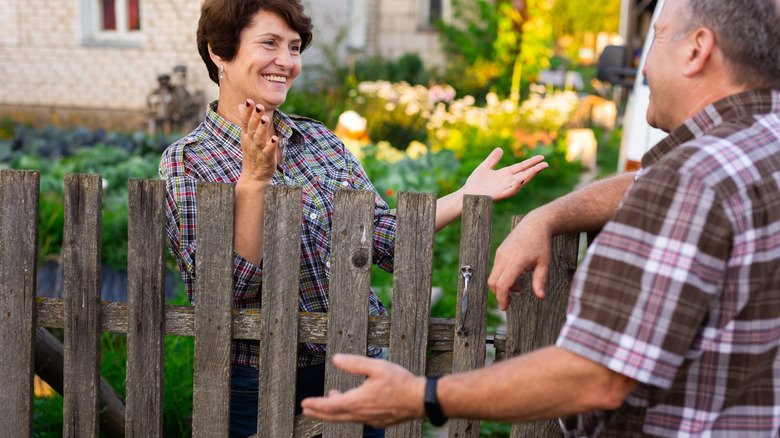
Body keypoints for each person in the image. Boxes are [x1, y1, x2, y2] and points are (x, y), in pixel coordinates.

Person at [301, 0, 780, 436]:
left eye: (657, 35)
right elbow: (649, 184)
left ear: (697, 50)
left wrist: (424, 396)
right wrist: (548, 215)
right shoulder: (758, 148)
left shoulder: (689, 181)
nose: (644, 64)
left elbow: (594, 375)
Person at [158, 0, 548, 437]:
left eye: (294, 47)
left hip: (355, 363)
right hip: (257, 380)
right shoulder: (189, 162)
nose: (286, 62)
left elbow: (382, 239)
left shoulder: (319, 141)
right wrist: (254, 181)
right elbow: (225, 288)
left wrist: (464, 196)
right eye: (269, 43)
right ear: (218, 51)